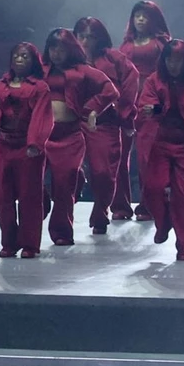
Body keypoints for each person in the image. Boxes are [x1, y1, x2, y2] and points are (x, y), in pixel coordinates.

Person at [39, 28, 117, 247]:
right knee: (33, 182)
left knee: (64, 185)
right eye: (53, 47)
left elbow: (110, 91)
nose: (56, 53)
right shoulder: (40, 70)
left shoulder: (83, 71)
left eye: (61, 48)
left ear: (70, 49)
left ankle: (62, 231)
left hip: (69, 136)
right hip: (41, 135)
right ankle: (40, 209)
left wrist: (93, 109)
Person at [136, 40, 184, 261]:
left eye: (177, 60)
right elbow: (146, 106)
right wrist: (154, 109)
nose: (173, 64)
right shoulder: (154, 81)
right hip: (159, 145)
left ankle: (183, 244)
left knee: (183, 196)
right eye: (169, 59)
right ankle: (162, 223)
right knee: (151, 188)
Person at [0, 42, 53, 258]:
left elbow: (42, 118)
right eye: (16, 56)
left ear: (33, 61)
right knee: (2, 196)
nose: (19, 60)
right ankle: (9, 242)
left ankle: (30, 244)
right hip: (5, 146)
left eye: (24, 56)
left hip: (28, 148)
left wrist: (34, 143)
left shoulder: (40, 88)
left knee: (29, 196)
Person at [73, 17, 139, 235]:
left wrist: (124, 115)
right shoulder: (67, 58)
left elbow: (130, 84)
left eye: (90, 37)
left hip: (106, 122)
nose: (85, 41)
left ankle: (103, 210)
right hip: (72, 123)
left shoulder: (115, 59)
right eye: (81, 36)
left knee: (105, 171)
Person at [120, 1, 172, 221]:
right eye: (137, 16)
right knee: (120, 157)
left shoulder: (161, 44)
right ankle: (120, 206)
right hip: (126, 103)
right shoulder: (125, 45)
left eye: (145, 16)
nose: (140, 20)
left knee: (146, 157)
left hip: (151, 106)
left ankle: (149, 204)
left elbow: (169, 76)